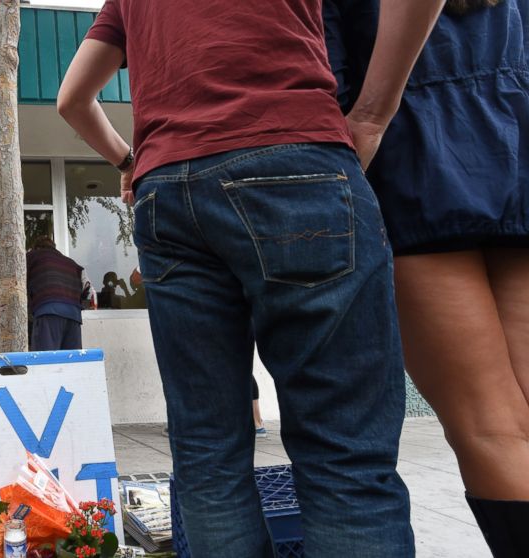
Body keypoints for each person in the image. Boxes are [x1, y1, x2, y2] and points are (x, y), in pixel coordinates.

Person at [56, 1, 446, 555]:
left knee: (207, 454)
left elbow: (72, 99)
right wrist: (371, 116)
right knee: (344, 455)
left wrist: (128, 163)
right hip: (294, 155)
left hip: (168, 188)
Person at [325, 0, 529, 553]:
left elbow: (328, 66)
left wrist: (363, 119)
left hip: (415, 158)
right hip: (514, 137)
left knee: (489, 425)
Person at [26, 236, 87, 351]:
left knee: (46, 361)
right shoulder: (72, 263)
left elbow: (18, 280)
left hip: (48, 311)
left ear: (37, 248)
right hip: (74, 315)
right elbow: (86, 288)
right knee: (71, 361)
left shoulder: (33, 256)